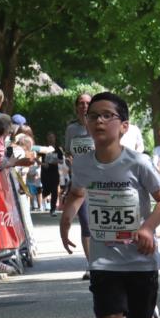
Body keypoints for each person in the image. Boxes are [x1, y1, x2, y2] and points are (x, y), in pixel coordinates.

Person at [59, 91, 160, 318]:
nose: (98, 120)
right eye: (93, 115)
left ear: (123, 126)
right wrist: (67, 219)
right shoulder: (82, 163)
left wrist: (148, 228)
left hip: (139, 259)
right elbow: (78, 192)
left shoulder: (138, 163)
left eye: (107, 115)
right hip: (104, 259)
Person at [64, 93, 94, 278]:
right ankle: (92, 265)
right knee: (86, 223)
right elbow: (68, 152)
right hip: (81, 181)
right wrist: (70, 160)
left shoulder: (100, 126)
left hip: (102, 182)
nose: (84, 106)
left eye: (87, 103)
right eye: (81, 103)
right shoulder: (71, 129)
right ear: (76, 108)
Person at [40, 131, 64, 215]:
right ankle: (43, 203)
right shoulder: (43, 149)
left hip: (54, 172)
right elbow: (34, 158)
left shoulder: (58, 149)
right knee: (46, 190)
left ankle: (52, 209)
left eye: (52, 137)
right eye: (49, 137)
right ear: (47, 139)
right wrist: (42, 164)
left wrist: (56, 161)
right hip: (45, 173)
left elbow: (61, 161)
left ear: (55, 138)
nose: (51, 139)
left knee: (54, 191)